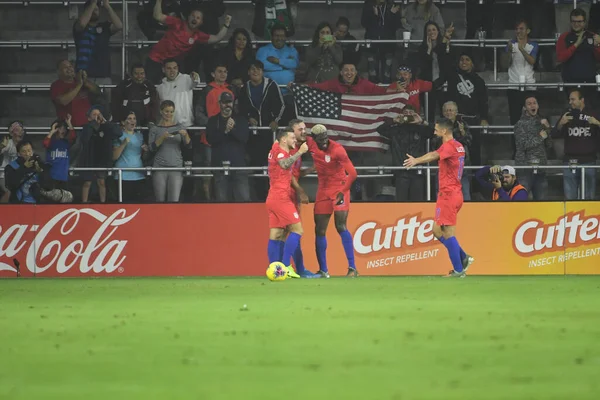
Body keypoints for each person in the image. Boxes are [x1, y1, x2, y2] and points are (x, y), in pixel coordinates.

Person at [403, 118, 474, 278]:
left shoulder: (449, 147)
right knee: (436, 230)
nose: (434, 131)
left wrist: (416, 160)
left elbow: (434, 155)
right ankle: (463, 257)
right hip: (454, 193)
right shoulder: (458, 146)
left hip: (449, 194)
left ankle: (458, 270)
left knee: (448, 233)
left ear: (444, 131)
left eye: (436, 129)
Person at [308, 124, 358, 278]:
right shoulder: (310, 144)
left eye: (325, 138)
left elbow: (353, 173)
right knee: (319, 230)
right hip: (323, 190)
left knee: (340, 226)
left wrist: (343, 191)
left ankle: (352, 268)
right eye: (320, 139)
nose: (324, 142)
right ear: (314, 139)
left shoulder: (337, 150)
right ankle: (323, 270)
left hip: (339, 189)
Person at [266, 129, 309, 279]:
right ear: (284, 140)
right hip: (280, 198)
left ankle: (274, 270)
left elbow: (276, 143)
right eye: (292, 138)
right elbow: (284, 164)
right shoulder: (282, 154)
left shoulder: (275, 148)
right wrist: (300, 152)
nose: (295, 140)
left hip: (272, 197)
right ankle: (285, 266)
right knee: (297, 230)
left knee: (277, 234)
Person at [286, 119, 319, 278]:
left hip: (291, 195)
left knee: (291, 232)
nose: (304, 131)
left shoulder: (297, 148)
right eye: (300, 129)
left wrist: (310, 170)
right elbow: (289, 175)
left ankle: (298, 269)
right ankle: (287, 267)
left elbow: (296, 173)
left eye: (304, 128)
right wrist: (301, 191)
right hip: (287, 195)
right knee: (293, 231)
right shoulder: (291, 150)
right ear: (292, 132)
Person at [112, 111, 148, 203]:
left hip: (139, 175)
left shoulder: (140, 136)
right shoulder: (119, 135)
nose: (133, 121)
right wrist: (123, 144)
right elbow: (114, 156)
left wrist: (146, 151)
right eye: (129, 118)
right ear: (123, 122)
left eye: (134, 118)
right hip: (123, 176)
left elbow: (144, 157)